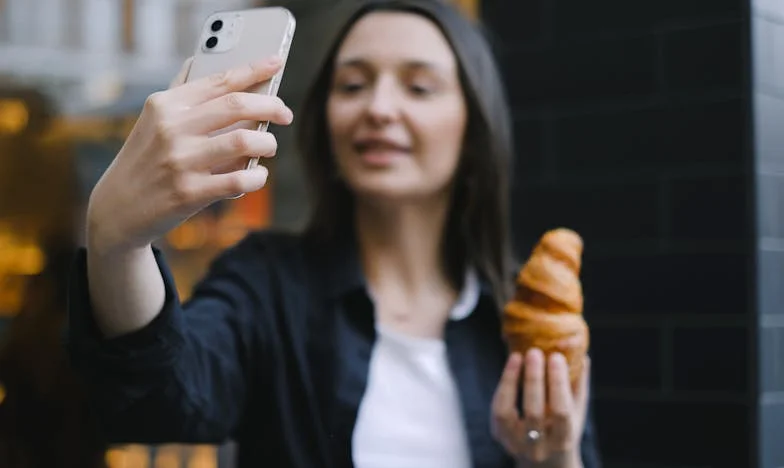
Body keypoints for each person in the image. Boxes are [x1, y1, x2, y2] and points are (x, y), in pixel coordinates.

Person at [66, 1, 602, 467]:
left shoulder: (524, 324)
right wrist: (117, 243)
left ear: (474, 125)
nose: (379, 108)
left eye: (418, 87)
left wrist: (554, 459)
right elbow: (157, 401)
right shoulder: (266, 283)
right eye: (353, 85)